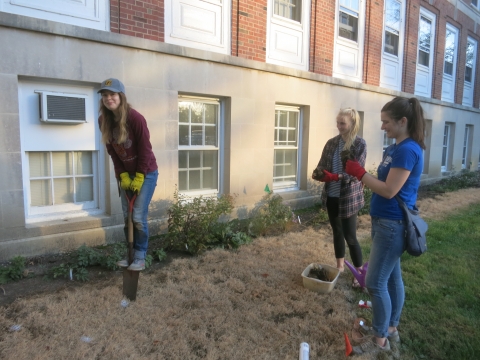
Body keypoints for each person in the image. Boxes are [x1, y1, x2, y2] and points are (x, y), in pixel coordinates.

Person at [345, 97, 426, 354]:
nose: (382, 127)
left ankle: (380, 342)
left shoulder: (408, 150)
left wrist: (359, 173)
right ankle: (391, 329)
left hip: (393, 224)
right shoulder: (394, 149)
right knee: (392, 278)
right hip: (384, 221)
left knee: (375, 282)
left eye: (386, 122)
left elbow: (390, 190)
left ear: (403, 122)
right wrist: (361, 174)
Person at [98, 78, 158, 271]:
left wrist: (140, 176)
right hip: (125, 175)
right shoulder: (103, 120)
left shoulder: (135, 118)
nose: (109, 99)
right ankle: (129, 254)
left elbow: (145, 150)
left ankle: (140, 256)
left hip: (146, 172)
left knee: (138, 217)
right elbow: (113, 151)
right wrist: (122, 174)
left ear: (121, 96)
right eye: (105, 95)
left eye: (112, 94)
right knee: (127, 217)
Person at [312, 108, 366, 286]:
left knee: (350, 236)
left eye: (342, 123)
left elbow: (357, 174)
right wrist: (320, 174)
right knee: (337, 232)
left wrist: (336, 176)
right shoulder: (331, 143)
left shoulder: (359, 144)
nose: (339, 126)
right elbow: (322, 165)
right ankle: (340, 266)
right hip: (332, 195)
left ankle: (359, 273)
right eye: (338, 123)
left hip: (348, 197)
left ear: (352, 124)